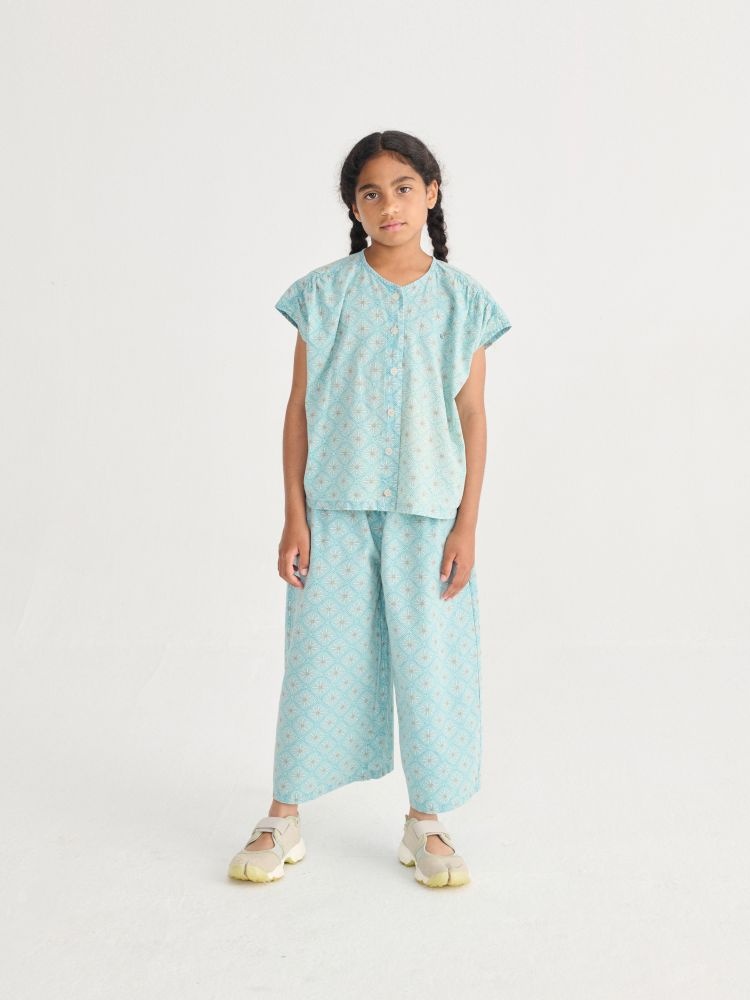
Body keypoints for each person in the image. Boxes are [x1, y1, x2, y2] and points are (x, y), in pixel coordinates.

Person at [228, 130, 513, 889]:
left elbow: (473, 416)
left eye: (404, 188)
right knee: (317, 664)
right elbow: (298, 410)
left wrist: (467, 524)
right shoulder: (322, 295)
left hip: (430, 514)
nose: (390, 205)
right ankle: (283, 815)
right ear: (353, 207)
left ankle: (427, 821)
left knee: (432, 666)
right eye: (371, 193)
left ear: (432, 193)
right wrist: (294, 515)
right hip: (335, 511)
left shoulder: (464, 302)